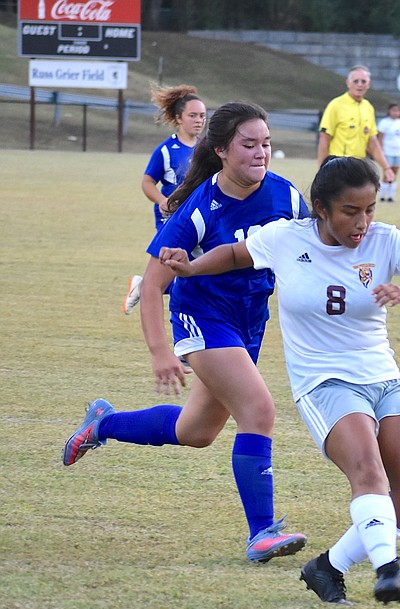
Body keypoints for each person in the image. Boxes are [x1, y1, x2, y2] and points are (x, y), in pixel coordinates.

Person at [159, 156, 400, 605]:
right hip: (325, 384)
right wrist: (192, 267)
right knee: (368, 474)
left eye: (370, 209)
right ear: (320, 208)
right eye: (350, 211)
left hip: (384, 379)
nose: (363, 222)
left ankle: (326, 567)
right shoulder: (285, 237)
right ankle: (387, 568)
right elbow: (236, 254)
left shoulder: (385, 240)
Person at [63, 102, 309, 564]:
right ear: (220, 150)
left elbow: (308, 252)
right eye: (249, 144)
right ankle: (262, 534)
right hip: (203, 317)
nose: (261, 153)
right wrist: (161, 352)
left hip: (250, 320)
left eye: (267, 143)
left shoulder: (288, 197)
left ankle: (103, 423)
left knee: (196, 431)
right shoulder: (199, 208)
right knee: (258, 409)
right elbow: (153, 285)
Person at [124, 84, 207, 316]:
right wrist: (162, 200)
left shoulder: (207, 148)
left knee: (196, 268)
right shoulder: (166, 150)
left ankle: (145, 286)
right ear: (179, 118)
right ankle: (152, 290)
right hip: (172, 217)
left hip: (200, 216)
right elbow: (147, 182)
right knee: (176, 265)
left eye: (202, 116)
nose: (199, 120)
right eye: (193, 115)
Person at [316, 65, 395, 184]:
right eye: (356, 81)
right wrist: (321, 169)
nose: (360, 84)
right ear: (348, 83)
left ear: (368, 84)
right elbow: (324, 139)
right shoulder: (336, 105)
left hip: (359, 167)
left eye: (363, 81)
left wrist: (386, 168)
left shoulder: (368, 107)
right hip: (338, 166)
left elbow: (372, 143)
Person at [377, 103, 400, 202]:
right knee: (387, 173)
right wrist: (380, 150)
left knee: (394, 174)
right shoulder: (384, 122)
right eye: (393, 110)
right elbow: (380, 138)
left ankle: (391, 196)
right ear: (389, 111)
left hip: (398, 152)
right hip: (388, 151)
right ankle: (382, 196)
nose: (395, 113)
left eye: (397, 111)